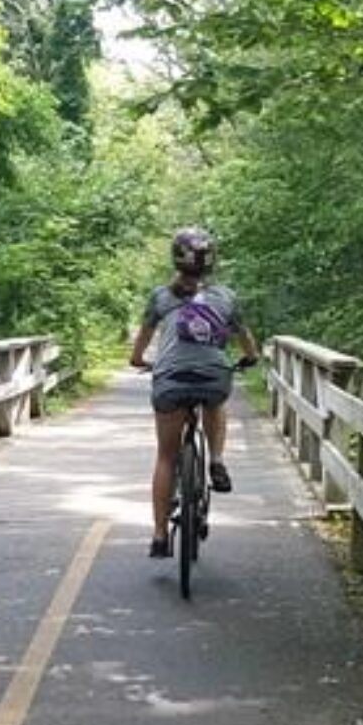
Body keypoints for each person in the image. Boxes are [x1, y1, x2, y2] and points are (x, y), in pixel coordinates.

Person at [129, 227, 260, 558]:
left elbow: (141, 342)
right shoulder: (226, 297)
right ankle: (216, 460)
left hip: (171, 379)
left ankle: (160, 536)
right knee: (215, 398)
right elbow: (245, 339)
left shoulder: (161, 297)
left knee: (166, 456)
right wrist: (250, 358)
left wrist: (138, 360)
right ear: (212, 262)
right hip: (212, 376)